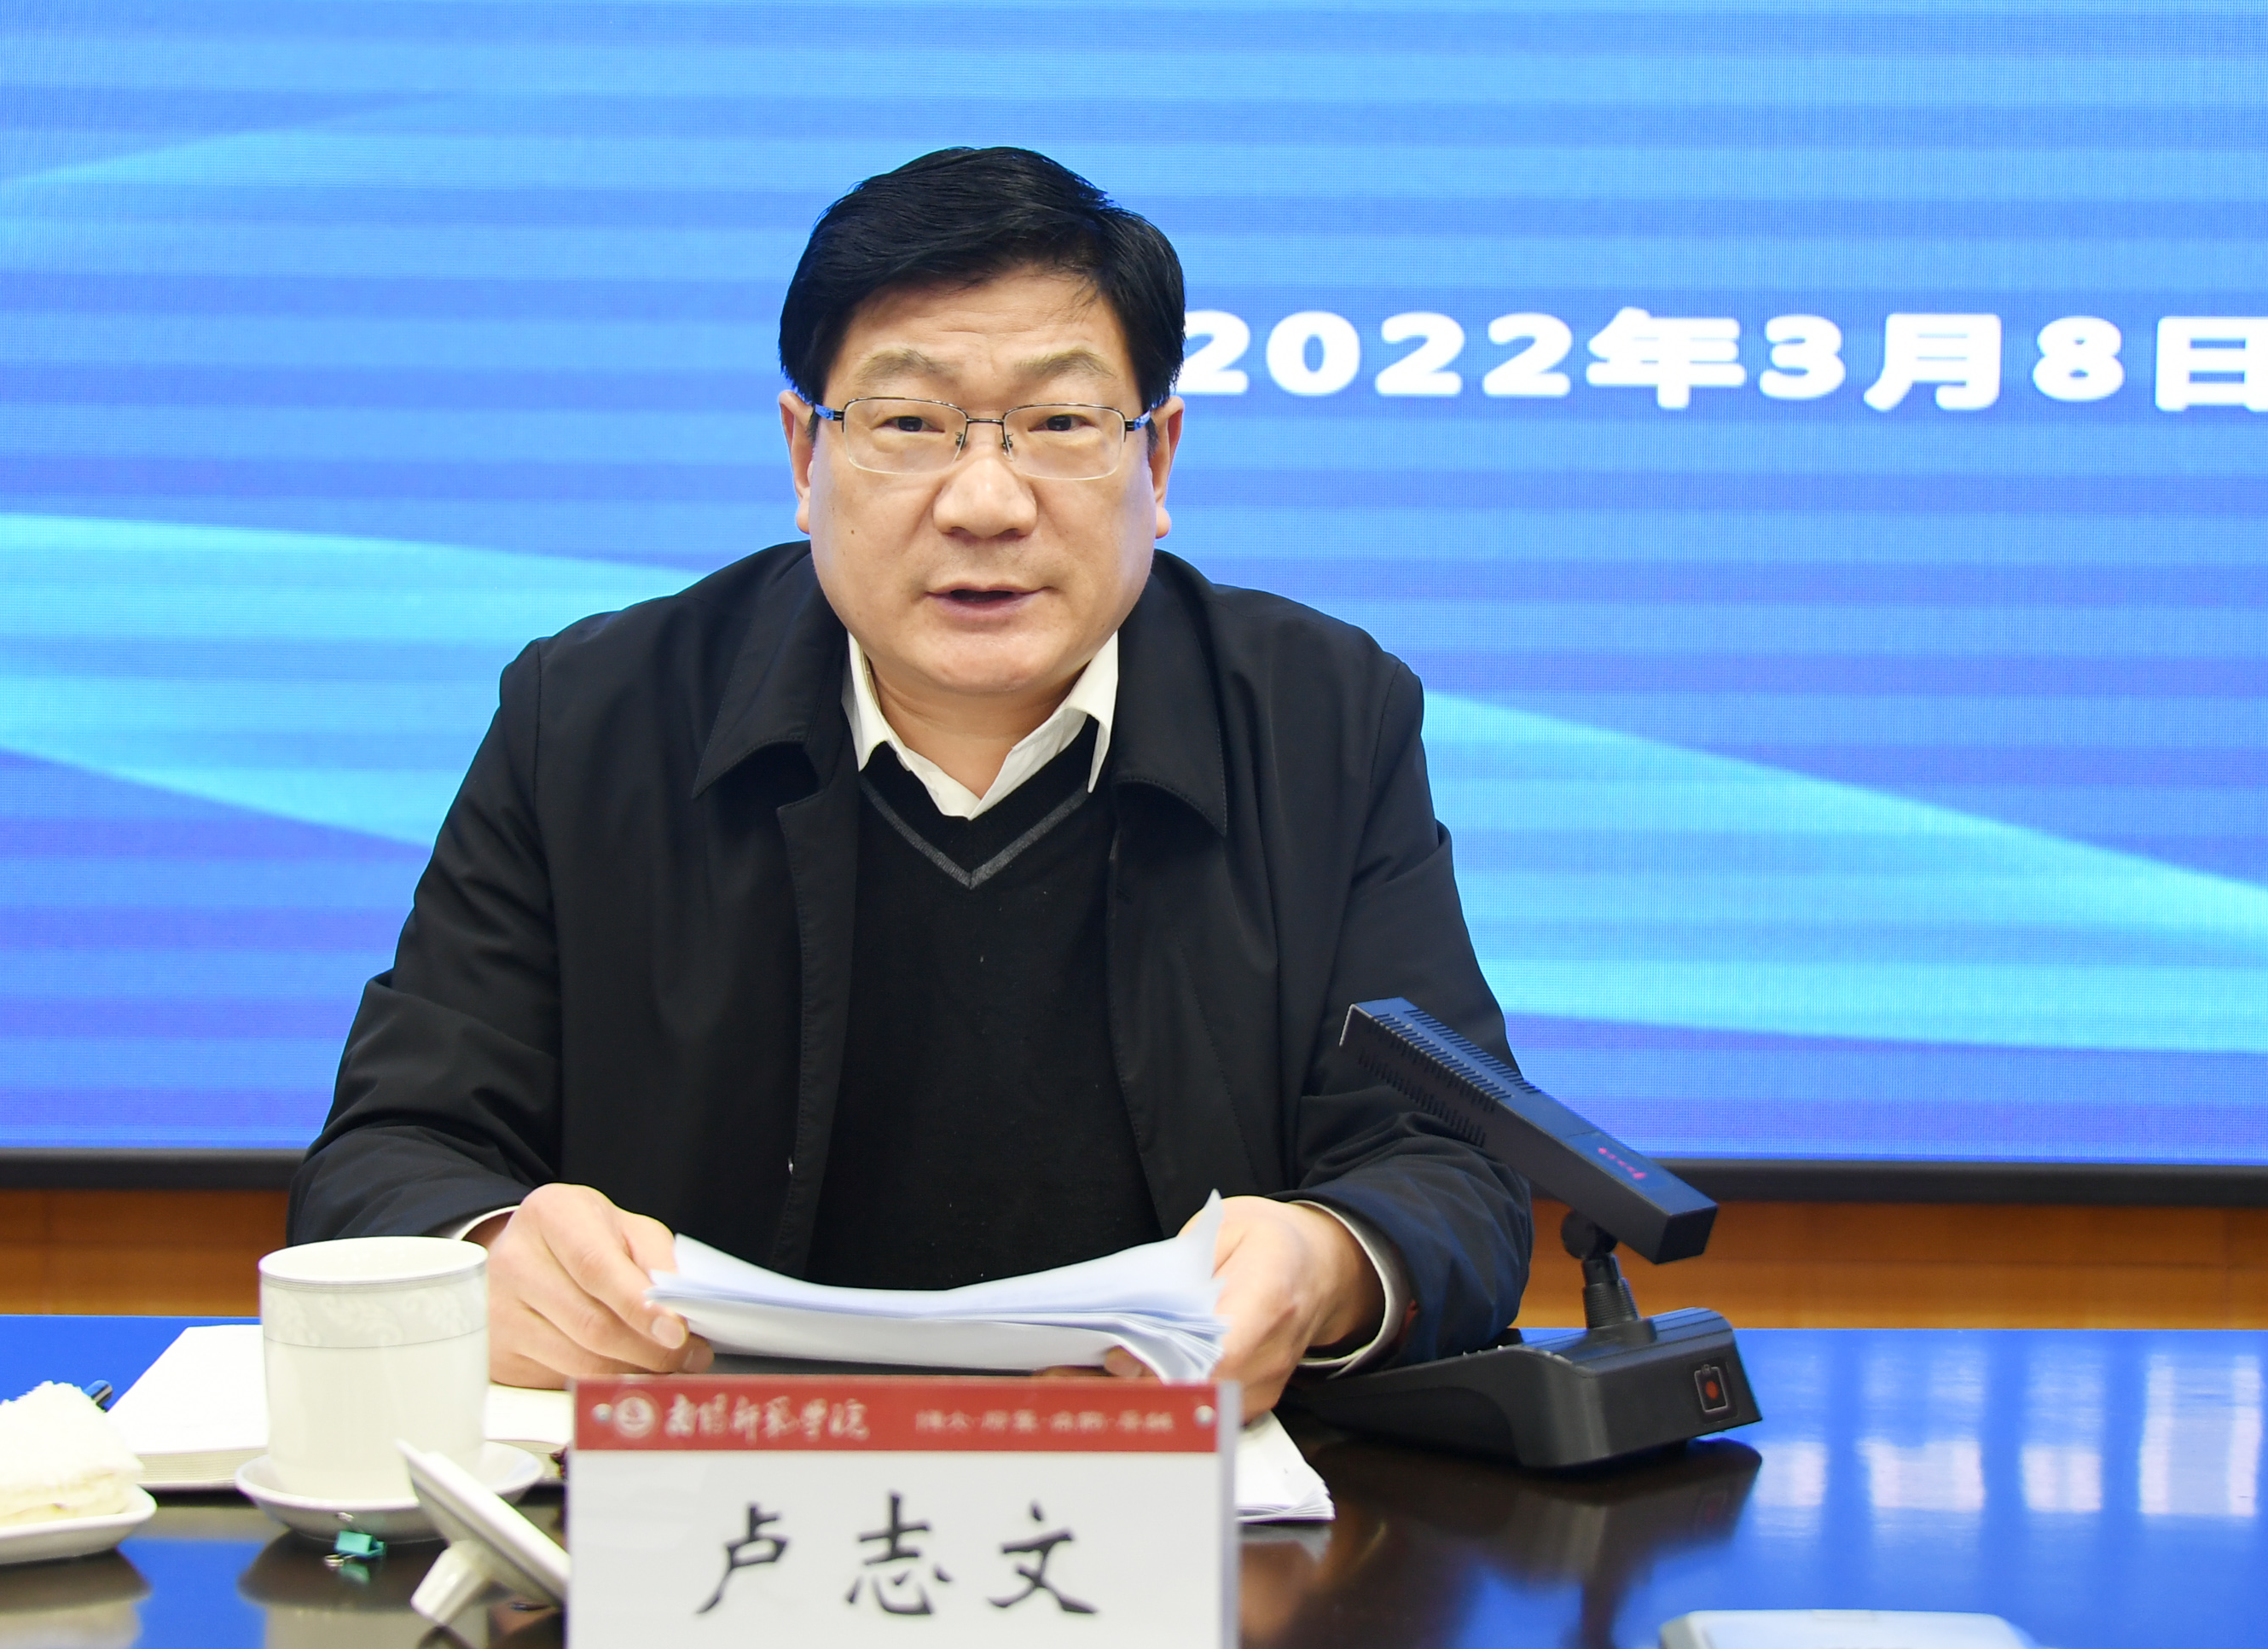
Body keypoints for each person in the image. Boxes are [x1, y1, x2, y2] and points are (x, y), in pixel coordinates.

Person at [289, 147, 1532, 1418]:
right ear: (804, 456)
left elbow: (1454, 1171)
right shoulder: (594, 717)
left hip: (1177, 1498)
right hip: (705, 1495)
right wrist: (492, 1255)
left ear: (1157, 462)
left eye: (1060, 425)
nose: (985, 502)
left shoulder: (1322, 718)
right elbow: (391, 1153)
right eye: (909, 425)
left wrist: (1324, 1266)